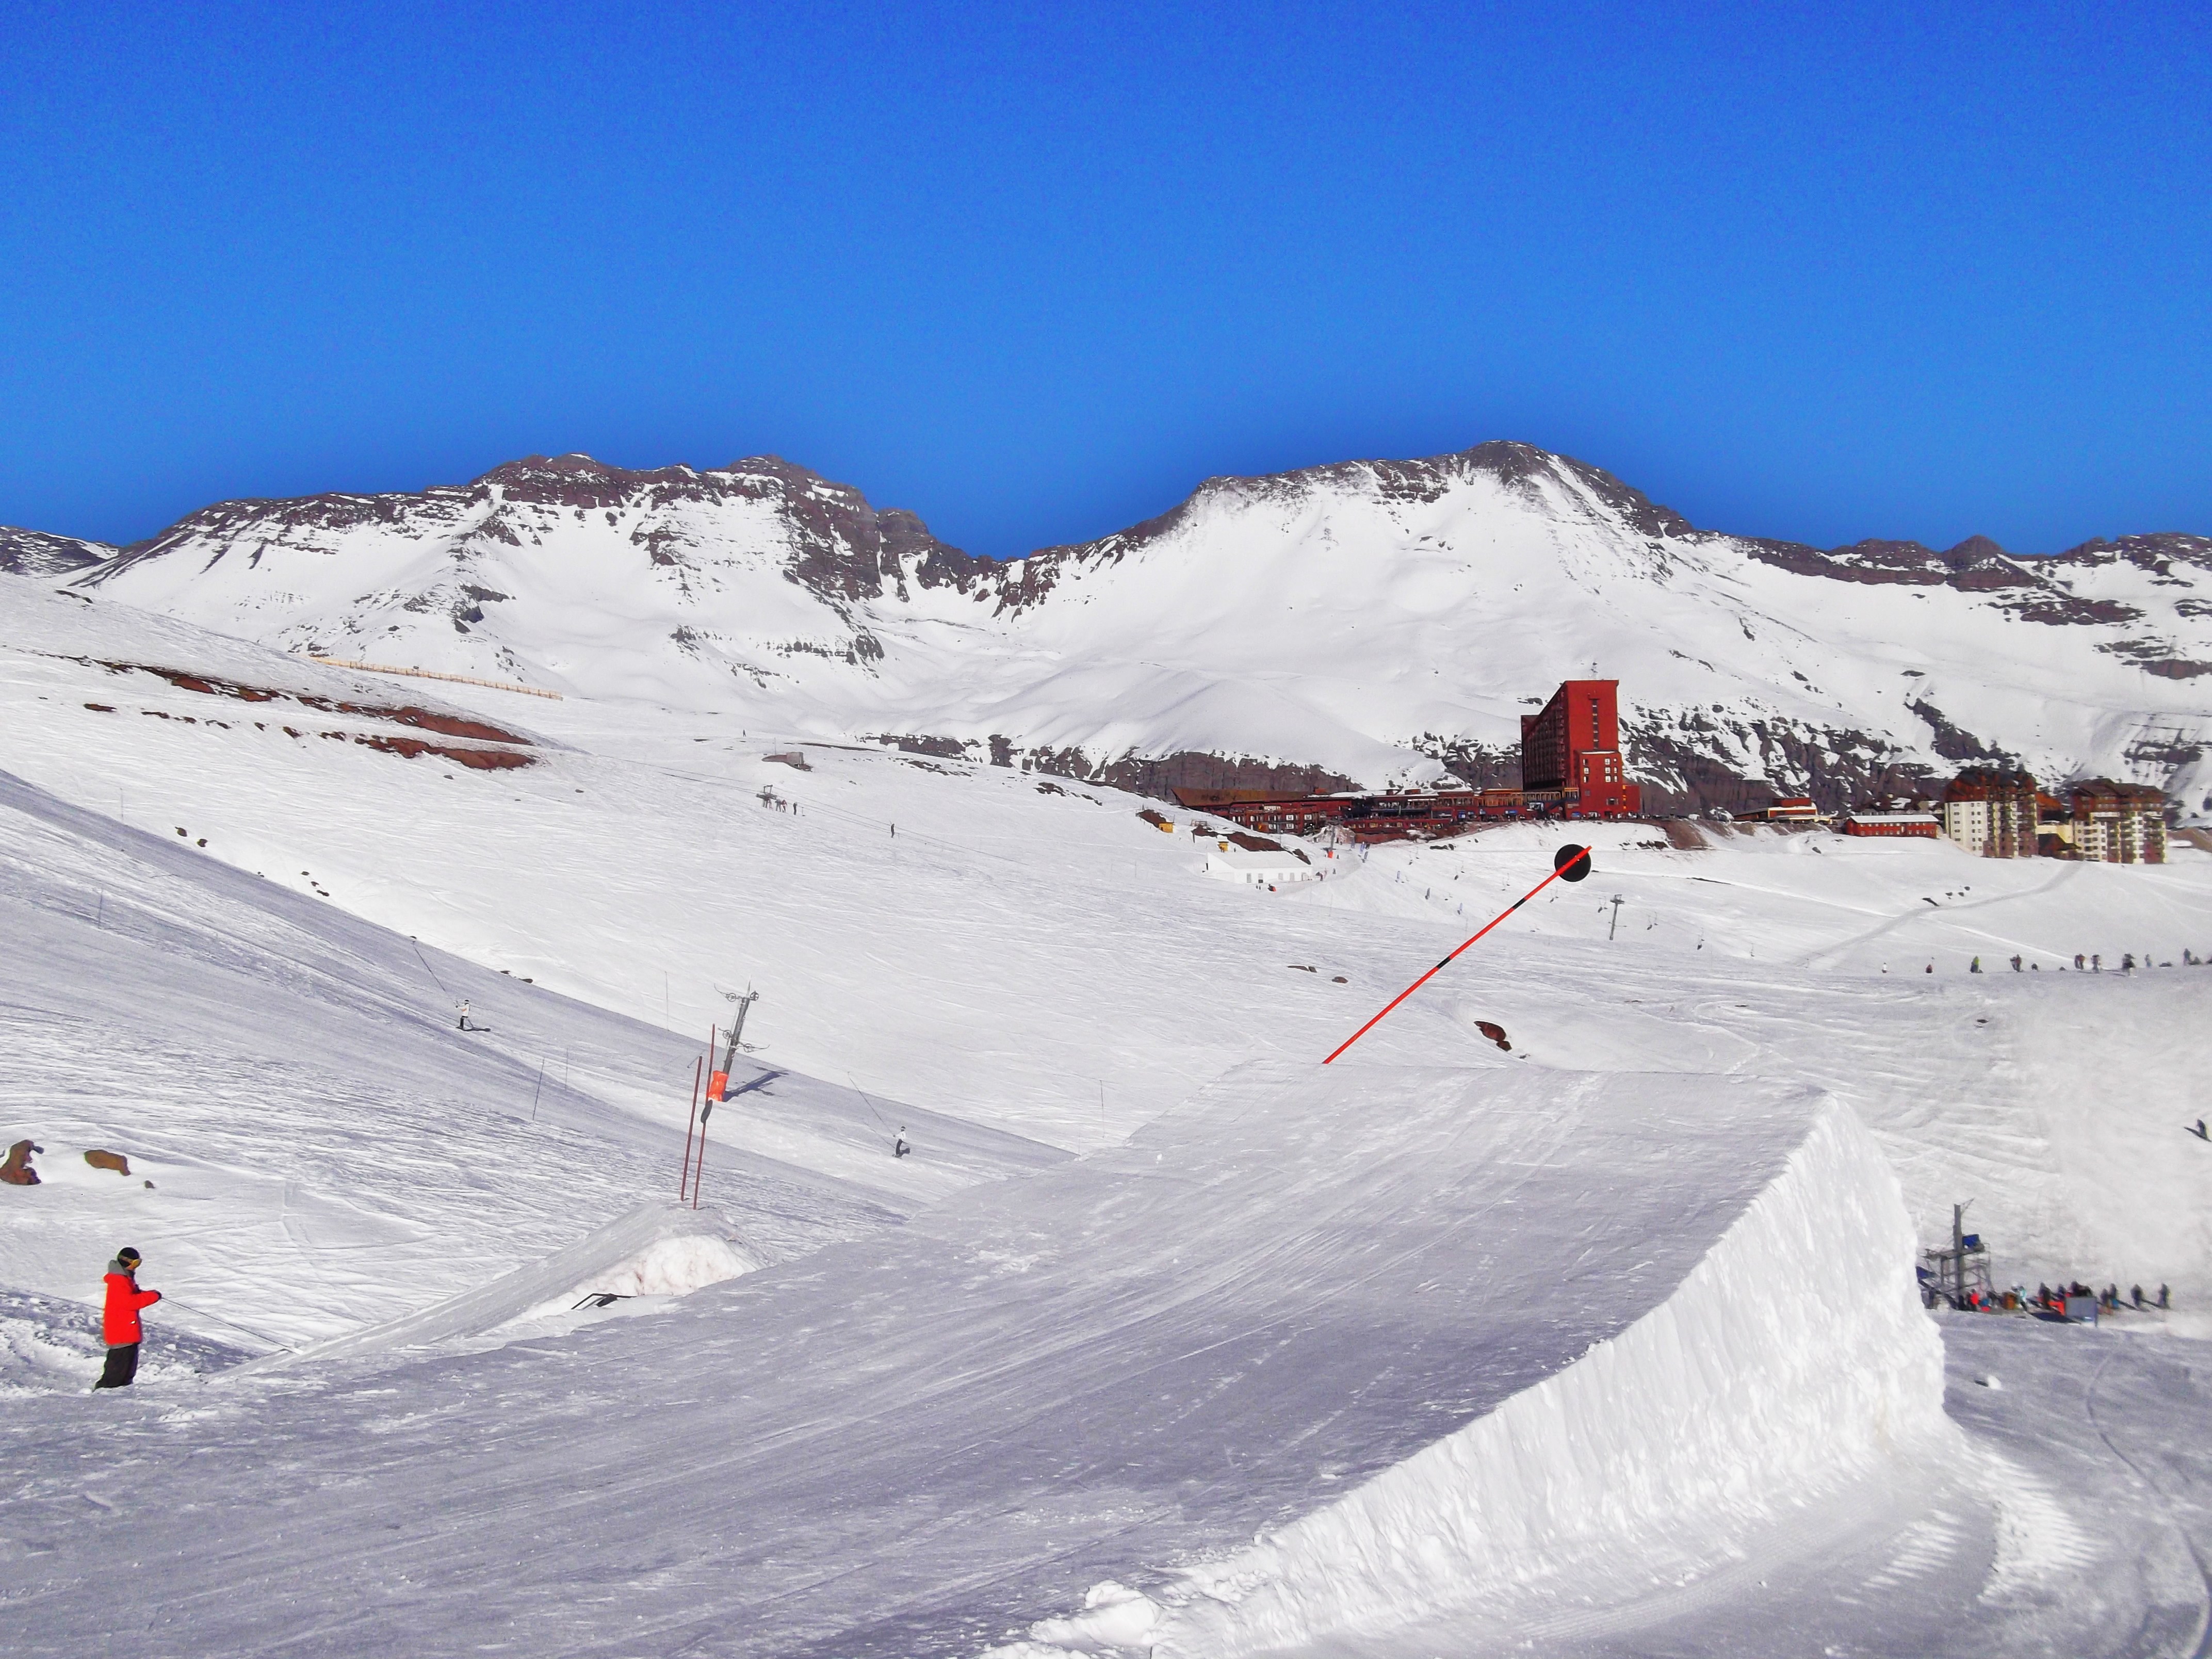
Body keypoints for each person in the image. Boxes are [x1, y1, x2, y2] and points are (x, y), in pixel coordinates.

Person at [96, 1246, 161, 1390]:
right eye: (136, 1263)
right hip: (122, 1334)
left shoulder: (124, 1279)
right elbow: (129, 1303)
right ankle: (101, 1398)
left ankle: (118, 1400)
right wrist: (152, 1296)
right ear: (127, 1262)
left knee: (126, 1375)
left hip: (126, 1333)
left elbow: (128, 1298)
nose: (136, 1267)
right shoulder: (119, 1281)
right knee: (116, 1376)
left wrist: (142, 1293)